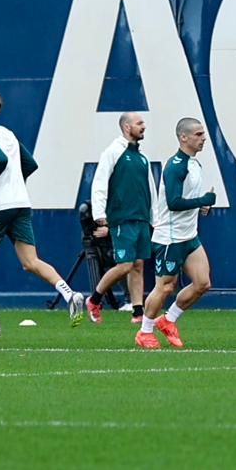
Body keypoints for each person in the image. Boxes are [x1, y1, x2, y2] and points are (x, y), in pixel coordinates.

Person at [0, 87, 86, 339]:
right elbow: (30, 163)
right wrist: (15, 186)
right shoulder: (7, 133)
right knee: (30, 261)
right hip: (21, 203)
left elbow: (0, 160)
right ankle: (69, 294)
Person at [140, 117, 217, 349]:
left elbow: (187, 198)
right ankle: (145, 331)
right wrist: (203, 200)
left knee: (203, 283)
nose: (203, 138)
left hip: (189, 236)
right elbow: (173, 202)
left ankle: (168, 319)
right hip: (170, 238)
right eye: (198, 134)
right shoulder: (176, 166)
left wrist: (201, 207)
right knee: (165, 287)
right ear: (183, 137)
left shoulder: (195, 164)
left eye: (203, 134)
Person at [86, 112, 151, 325]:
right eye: (139, 123)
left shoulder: (142, 157)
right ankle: (94, 300)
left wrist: (154, 219)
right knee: (125, 265)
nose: (143, 126)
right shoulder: (113, 151)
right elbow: (100, 182)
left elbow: (150, 190)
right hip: (122, 219)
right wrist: (99, 214)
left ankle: (138, 312)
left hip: (141, 219)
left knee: (138, 265)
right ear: (126, 127)